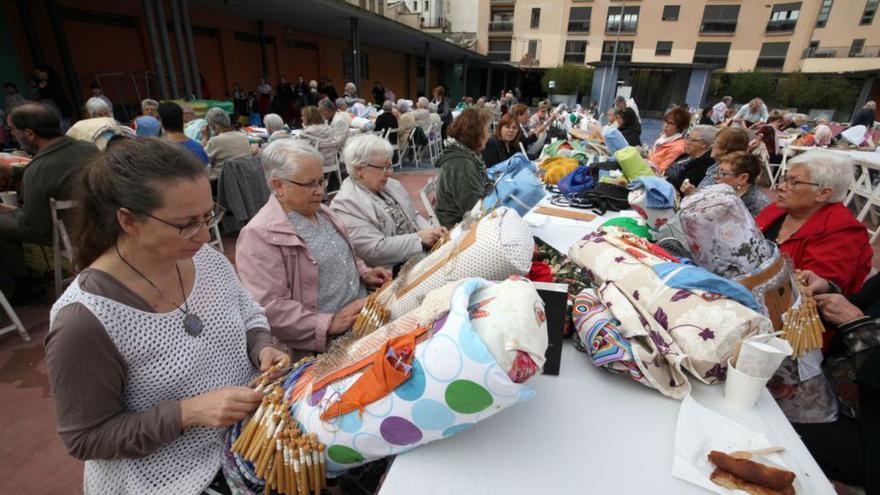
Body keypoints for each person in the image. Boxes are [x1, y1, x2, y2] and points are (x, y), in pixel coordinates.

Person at [45, 137, 288, 494]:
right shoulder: (84, 321)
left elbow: (249, 314)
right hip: (174, 478)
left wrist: (261, 348)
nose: (205, 234)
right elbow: (86, 438)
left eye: (208, 216)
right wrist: (187, 412)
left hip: (249, 441)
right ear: (128, 221)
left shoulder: (205, 260)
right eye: (186, 223)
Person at [235, 139, 391, 357]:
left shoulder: (321, 212)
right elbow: (271, 308)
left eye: (321, 181)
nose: (320, 191)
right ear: (278, 184)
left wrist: (365, 272)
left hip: (364, 315)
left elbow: (340, 255)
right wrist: (329, 324)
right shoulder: (259, 235)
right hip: (328, 344)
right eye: (310, 184)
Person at [791, 270, 880, 493]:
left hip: (868, 431)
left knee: (778, 421)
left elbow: (859, 323)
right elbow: (860, 308)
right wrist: (828, 292)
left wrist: (857, 326)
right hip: (833, 387)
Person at [0, 103, 99, 302]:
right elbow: (61, 170)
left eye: (12, 130)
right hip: (100, 222)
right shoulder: (88, 148)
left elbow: (35, 225)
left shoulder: (38, 170)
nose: (11, 135)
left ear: (29, 133)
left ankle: (22, 286)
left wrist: (10, 211)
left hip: (69, 234)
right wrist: (17, 171)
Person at [756, 150, 872, 296]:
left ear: (823, 193)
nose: (781, 186)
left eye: (794, 182)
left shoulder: (843, 231)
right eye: (784, 179)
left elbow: (814, 287)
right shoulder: (777, 210)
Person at [331, 134, 442, 268]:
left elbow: (414, 215)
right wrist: (419, 239)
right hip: (392, 273)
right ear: (360, 169)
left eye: (389, 166)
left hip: (420, 258)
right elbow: (374, 249)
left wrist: (433, 232)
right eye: (383, 167)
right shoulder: (346, 204)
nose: (389, 173)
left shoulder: (391, 185)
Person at [434, 108, 492, 228]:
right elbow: (474, 208)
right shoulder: (462, 164)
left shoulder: (465, 154)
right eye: (487, 130)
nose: (488, 135)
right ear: (476, 134)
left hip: (460, 220)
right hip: (456, 227)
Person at [687, 127, 751, 192]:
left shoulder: (728, 174)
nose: (712, 145)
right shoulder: (714, 167)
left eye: (716, 142)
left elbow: (714, 199)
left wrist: (692, 193)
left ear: (727, 147)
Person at [711, 151, 770, 216]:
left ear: (743, 178)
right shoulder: (721, 192)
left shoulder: (757, 205)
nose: (715, 176)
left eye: (723, 173)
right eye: (717, 171)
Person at [201, 107, 252, 178]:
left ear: (214, 126)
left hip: (223, 181)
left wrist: (204, 137)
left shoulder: (215, 141)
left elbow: (201, 159)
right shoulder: (243, 136)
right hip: (244, 177)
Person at [663, 124, 716, 191]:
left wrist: (664, 178)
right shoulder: (687, 155)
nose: (687, 142)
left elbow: (685, 186)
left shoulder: (704, 163)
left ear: (704, 144)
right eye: (688, 138)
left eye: (693, 140)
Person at [648, 107, 690, 172]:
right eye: (665, 122)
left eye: (671, 123)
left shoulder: (678, 147)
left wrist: (646, 163)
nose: (666, 125)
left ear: (679, 127)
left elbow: (661, 171)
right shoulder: (663, 138)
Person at [32, 65, 73, 130]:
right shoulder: (40, 84)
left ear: (45, 72)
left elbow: (56, 94)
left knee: (65, 128)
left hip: (60, 109)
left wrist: (44, 89)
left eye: (38, 73)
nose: (37, 75)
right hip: (50, 110)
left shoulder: (54, 81)